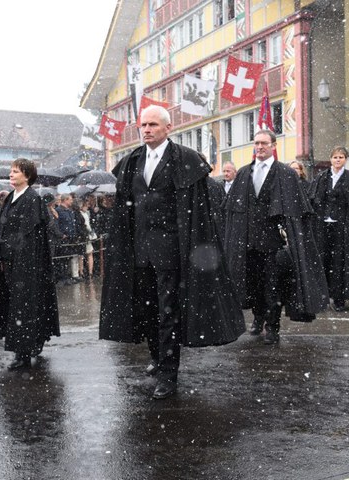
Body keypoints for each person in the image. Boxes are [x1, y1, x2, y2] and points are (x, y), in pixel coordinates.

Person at [100, 105, 245, 400]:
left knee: (168, 313)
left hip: (171, 253)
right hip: (140, 252)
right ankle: (157, 357)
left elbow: (198, 213)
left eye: (153, 124)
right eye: (143, 125)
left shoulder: (185, 161)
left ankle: (168, 374)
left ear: (168, 128)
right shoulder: (132, 161)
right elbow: (124, 210)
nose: (147, 129)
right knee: (148, 309)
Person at [224, 130, 329, 344]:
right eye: (256, 143)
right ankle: (258, 318)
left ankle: (272, 326)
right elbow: (232, 211)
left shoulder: (285, 174)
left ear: (273, 145)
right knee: (252, 285)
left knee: (272, 287)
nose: (260, 147)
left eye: (264, 143)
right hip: (248, 242)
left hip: (273, 244)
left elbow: (297, 211)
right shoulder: (244, 173)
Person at [0, 158, 59, 370]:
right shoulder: (11, 197)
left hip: (26, 266)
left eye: (16, 172)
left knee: (24, 307)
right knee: (13, 305)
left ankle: (24, 352)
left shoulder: (31, 199)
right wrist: (1, 258)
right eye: (10, 171)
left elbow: (29, 236)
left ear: (27, 176)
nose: (11, 175)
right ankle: (27, 346)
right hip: (10, 263)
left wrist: (20, 260)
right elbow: (3, 231)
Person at [309, 146, 349, 311]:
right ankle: (323, 297)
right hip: (322, 226)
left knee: (339, 262)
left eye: (341, 157)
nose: (338, 160)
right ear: (330, 159)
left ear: (345, 160)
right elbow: (312, 199)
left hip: (342, 227)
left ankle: (339, 298)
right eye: (335, 157)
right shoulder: (321, 177)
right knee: (322, 260)